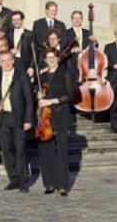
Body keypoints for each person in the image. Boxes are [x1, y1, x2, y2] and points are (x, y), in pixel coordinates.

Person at [0, 51, 34, 193]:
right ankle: (13, 179)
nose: (6, 63)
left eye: (9, 60)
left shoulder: (22, 77)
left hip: (18, 118)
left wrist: (28, 120)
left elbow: (29, 100)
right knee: (6, 150)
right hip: (3, 118)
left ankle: (23, 181)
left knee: (20, 150)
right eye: (3, 60)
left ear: (13, 61)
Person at [37, 47, 74, 196]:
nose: (51, 60)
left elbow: (70, 95)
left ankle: (63, 184)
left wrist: (51, 101)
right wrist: (38, 94)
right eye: (48, 57)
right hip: (46, 116)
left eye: (53, 57)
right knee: (47, 149)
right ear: (45, 60)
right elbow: (37, 94)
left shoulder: (65, 73)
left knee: (61, 147)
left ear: (58, 58)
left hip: (60, 114)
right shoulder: (42, 75)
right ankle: (50, 183)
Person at [8, 10, 34, 77]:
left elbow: (34, 53)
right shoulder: (8, 34)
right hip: (11, 63)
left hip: (25, 64)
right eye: (14, 20)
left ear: (22, 20)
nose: (16, 22)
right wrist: (10, 51)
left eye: (18, 19)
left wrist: (31, 67)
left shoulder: (30, 34)